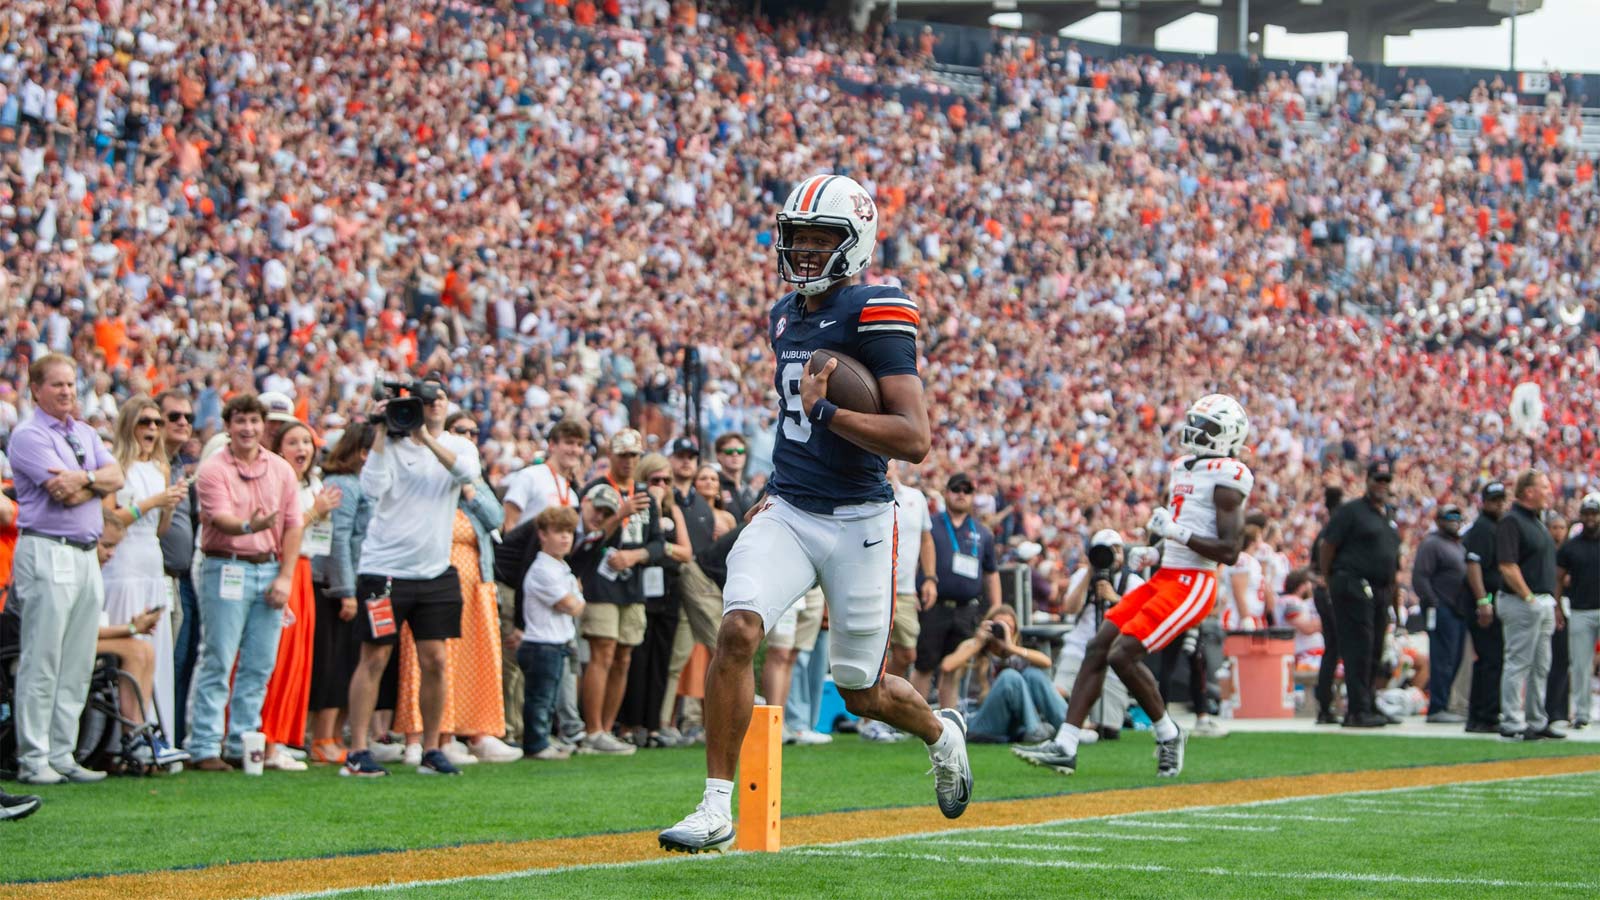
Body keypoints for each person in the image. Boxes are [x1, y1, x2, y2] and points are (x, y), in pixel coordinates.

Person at [660, 174, 969, 856]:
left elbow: (914, 440)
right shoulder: (783, 314)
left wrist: (829, 411)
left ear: (853, 244)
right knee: (739, 629)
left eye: (820, 238)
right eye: (796, 237)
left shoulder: (879, 309)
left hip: (861, 520)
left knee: (860, 690)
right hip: (792, 508)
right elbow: (790, 419)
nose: (803, 251)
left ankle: (941, 732)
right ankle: (715, 806)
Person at [1016, 394, 1252, 778]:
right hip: (1166, 575)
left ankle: (1168, 732)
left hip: (1193, 583)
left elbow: (1228, 550)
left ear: (1226, 435)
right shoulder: (1184, 467)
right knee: (1098, 646)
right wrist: (1155, 553)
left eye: (1205, 426)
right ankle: (1066, 743)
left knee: (1122, 655)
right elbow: (1182, 529)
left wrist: (1173, 533)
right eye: (1194, 422)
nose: (1195, 431)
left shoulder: (1229, 476)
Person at [342, 377, 481, 777]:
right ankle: (357, 750)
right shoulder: (389, 446)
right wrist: (384, 432)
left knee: (436, 659)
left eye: (438, 398)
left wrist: (424, 436)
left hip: (435, 572)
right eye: (423, 400)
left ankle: (433, 747)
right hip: (384, 571)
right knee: (375, 658)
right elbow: (371, 488)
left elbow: (466, 474)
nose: (433, 404)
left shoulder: (458, 445)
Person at [11, 353, 125, 785]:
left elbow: (115, 476)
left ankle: (62, 752)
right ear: (36, 389)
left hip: (85, 552)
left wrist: (86, 481)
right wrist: (93, 482)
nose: (65, 391)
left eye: (70, 383)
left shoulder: (85, 432)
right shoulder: (28, 435)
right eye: (56, 384)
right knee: (42, 657)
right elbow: (62, 493)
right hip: (47, 547)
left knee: (77, 659)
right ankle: (33, 756)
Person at [188, 394, 305, 771]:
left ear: (262, 425)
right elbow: (218, 518)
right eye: (240, 421)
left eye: (254, 421)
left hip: (269, 567)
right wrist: (247, 527)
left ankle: (243, 743)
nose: (248, 429)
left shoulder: (281, 469)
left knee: (259, 663)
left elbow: (293, 525)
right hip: (226, 565)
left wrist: (286, 576)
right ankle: (204, 745)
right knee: (219, 658)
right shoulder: (212, 469)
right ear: (228, 426)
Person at [258, 421, 341, 771]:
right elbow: (277, 531)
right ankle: (266, 738)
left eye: (307, 441)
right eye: (293, 442)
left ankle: (283, 736)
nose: (302, 448)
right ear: (279, 449)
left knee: (298, 659)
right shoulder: (276, 482)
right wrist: (314, 512)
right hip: (284, 567)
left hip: (307, 572)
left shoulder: (313, 483)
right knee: (275, 656)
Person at [101, 399, 185, 740]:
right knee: (126, 640)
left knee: (157, 645)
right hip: (121, 562)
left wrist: (168, 506)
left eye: (156, 423)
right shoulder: (115, 465)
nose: (151, 429)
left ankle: (153, 733)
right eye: (144, 422)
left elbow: (160, 529)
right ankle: (119, 737)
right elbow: (110, 519)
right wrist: (152, 502)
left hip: (152, 559)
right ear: (129, 425)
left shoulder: (161, 468)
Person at [575, 429, 661, 756]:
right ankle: (592, 729)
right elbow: (587, 538)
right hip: (600, 581)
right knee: (603, 653)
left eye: (634, 456)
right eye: (623, 455)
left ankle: (607, 727)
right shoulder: (596, 490)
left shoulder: (646, 494)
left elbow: (656, 543)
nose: (628, 461)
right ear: (611, 455)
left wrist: (635, 556)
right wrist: (620, 515)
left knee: (624, 657)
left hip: (633, 583)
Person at [93, 512, 189, 766]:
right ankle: (131, 736)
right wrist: (131, 627)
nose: (111, 554)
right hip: (66, 644)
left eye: (114, 547)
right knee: (136, 651)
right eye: (106, 546)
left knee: (144, 649)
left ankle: (138, 732)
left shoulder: (94, 572)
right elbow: (81, 630)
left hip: (83, 638)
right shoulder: (84, 572)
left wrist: (132, 628)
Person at [308, 423, 374, 765]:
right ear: (363, 452)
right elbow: (339, 540)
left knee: (349, 660)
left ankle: (334, 735)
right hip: (335, 587)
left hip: (355, 581)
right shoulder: (345, 485)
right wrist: (346, 590)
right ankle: (322, 736)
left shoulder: (360, 484)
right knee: (333, 661)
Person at [1319, 461, 1402, 728]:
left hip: (1380, 589)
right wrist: (1331, 580)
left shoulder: (1387, 516)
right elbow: (1327, 545)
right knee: (1359, 648)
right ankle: (1356, 709)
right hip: (1353, 584)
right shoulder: (1351, 511)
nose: (1382, 484)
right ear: (1367, 480)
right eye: (1378, 479)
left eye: (1386, 480)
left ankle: (1369, 702)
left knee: (1376, 648)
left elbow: (1393, 561)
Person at [618, 452, 693, 746]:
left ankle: (653, 725)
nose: (661, 485)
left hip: (668, 589)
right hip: (639, 588)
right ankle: (629, 722)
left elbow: (686, 552)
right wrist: (657, 546)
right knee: (637, 657)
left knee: (661, 659)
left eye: (666, 480)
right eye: (654, 480)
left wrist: (661, 548)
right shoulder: (636, 508)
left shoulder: (674, 511)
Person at [859, 460, 935, 743]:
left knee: (906, 655)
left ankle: (884, 712)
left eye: (889, 459)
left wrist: (929, 578)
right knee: (873, 653)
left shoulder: (916, 498)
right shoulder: (863, 493)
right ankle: (869, 721)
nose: (886, 465)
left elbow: (926, 540)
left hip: (903, 589)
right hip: (871, 585)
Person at [913, 472, 1000, 710]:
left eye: (967, 490)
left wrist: (997, 609)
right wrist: (911, 589)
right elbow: (913, 559)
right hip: (934, 604)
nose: (961, 494)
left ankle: (947, 718)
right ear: (946, 492)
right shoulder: (930, 524)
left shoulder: (983, 533)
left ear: (972, 496)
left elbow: (992, 573)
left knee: (954, 666)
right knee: (924, 664)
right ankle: (914, 719)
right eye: (956, 489)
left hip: (966, 608)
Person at [1056, 530, 1146, 739]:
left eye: (1116, 550)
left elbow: (1141, 619)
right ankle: (1077, 725)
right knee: (1057, 694)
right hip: (1079, 650)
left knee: (1109, 728)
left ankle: (1088, 725)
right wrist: (1089, 573)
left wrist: (1115, 599)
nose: (1111, 556)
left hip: (1115, 656)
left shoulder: (1133, 583)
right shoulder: (1082, 575)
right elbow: (1069, 608)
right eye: (1104, 551)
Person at [1495, 469, 1563, 741]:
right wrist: (1529, 598)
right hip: (1521, 602)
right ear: (1528, 491)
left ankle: (1536, 719)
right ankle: (1512, 720)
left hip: (1541, 602)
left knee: (1540, 665)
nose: (1549, 492)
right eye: (1544, 487)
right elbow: (1507, 566)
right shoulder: (1512, 521)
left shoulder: (1536, 522)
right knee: (1518, 662)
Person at [517, 505, 586, 760]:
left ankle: (544, 739)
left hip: (556, 642)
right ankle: (535, 745)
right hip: (541, 644)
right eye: (558, 532)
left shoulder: (559, 567)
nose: (566, 537)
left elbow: (575, 602)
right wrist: (578, 598)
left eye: (569, 532)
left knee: (550, 698)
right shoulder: (543, 570)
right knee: (540, 699)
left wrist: (577, 599)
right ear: (543, 535)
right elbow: (571, 605)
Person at [942, 605, 1058, 743]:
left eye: (1009, 626)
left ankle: (1069, 727)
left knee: (1033, 674)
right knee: (1010, 677)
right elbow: (947, 666)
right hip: (976, 722)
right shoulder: (973, 647)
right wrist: (978, 643)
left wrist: (1011, 647)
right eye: (999, 625)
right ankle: (1034, 731)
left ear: (1015, 630)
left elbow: (1047, 662)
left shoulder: (1014, 653)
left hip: (1007, 721)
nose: (1003, 630)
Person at [155, 390, 200, 745]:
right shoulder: (148, 466)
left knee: (178, 661)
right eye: (174, 416)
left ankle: (170, 736)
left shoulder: (179, 467)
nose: (183, 422)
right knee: (158, 661)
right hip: (151, 575)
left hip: (179, 577)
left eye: (188, 417)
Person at [1413, 504, 1471, 723]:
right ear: (1438, 521)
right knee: (1442, 658)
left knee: (1454, 658)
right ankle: (1437, 706)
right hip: (1442, 608)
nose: (1454, 521)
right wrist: (1434, 602)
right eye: (1449, 517)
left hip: (1457, 610)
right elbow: (1420, 577)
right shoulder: (1432, 544)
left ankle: (1445, 702)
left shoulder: (1457, 545)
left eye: (1458, 517)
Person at [1464, 481, 1509, 733]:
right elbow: (1473, 564)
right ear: (1484, 502)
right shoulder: (1482, 528)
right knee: (1491, 658)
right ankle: (1486, 715)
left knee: (1489, 659)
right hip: (1485, 601)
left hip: (1490, 599)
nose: (1499, 504)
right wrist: (1483, 601)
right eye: (1494, 500)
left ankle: (1479, 715)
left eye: (1501, 499)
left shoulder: (1494, 526)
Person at [501, 418, 589, 531]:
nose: (575, 449)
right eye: (569, 443)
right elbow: (509, 524)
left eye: (580, 445)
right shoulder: (530, 476)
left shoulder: (572, 495)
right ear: (552, 445)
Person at [1558, 493, 1600, 729]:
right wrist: (1557, 605)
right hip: (1581, 610)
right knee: (1580, 664)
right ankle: (1582, 713)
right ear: (1581, 516)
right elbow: (1558, 576)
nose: (1591, 518)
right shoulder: (1571, 547)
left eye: (1595, 513)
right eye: (1587, 513)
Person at [1309, 486, 1344, 724]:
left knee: (1333, 649)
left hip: (1327, 592)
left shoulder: (1326, 532)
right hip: (1331, 594)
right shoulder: (1332, 534)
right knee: (1336, 647)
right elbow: (1314, 570)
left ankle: (1326, 702)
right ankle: (1325, 702)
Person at [713, 433, 759, 522]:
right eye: (729, 451)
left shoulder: (748, 490)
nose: (735, 454)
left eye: (740, 451)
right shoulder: (713, 484)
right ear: (718, 456)